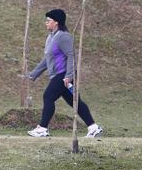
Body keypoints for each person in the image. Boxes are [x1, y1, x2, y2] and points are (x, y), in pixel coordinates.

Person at [27, 8, 103, 138]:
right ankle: (93, 127)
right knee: (75, 102)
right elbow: (47, 59)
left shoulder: (63, 36)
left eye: (48, 20)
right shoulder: (51, 37)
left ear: (56, 22)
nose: (46, 23)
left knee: (48, 96)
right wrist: (34, 74)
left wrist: (69, 76)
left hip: (63, 76)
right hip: (60, 76)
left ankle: (43, 128)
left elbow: (71, 56)